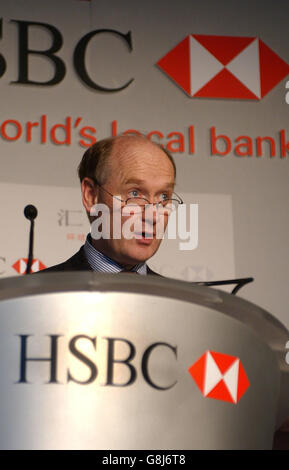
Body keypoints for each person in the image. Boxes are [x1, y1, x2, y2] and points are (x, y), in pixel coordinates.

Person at [42, 134, 182, 274]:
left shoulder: (178, 296)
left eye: (164, 196)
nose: (152, 216)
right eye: (134, 194)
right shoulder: (40, 293)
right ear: (91, 196)